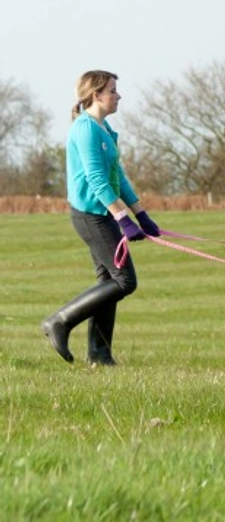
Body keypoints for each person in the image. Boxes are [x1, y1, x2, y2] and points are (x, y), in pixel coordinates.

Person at [41, 70, 162, 366]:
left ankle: (99, 354)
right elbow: (96, 180)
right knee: (124, 282)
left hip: (103, 214)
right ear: (96, 95)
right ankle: (59, 321)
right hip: (91, 216)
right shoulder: (85, 129)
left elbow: (117, 176)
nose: (118, 96)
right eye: (112, 90)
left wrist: (141, 213)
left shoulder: (104, 129)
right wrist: (123, 218)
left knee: (108, 281)